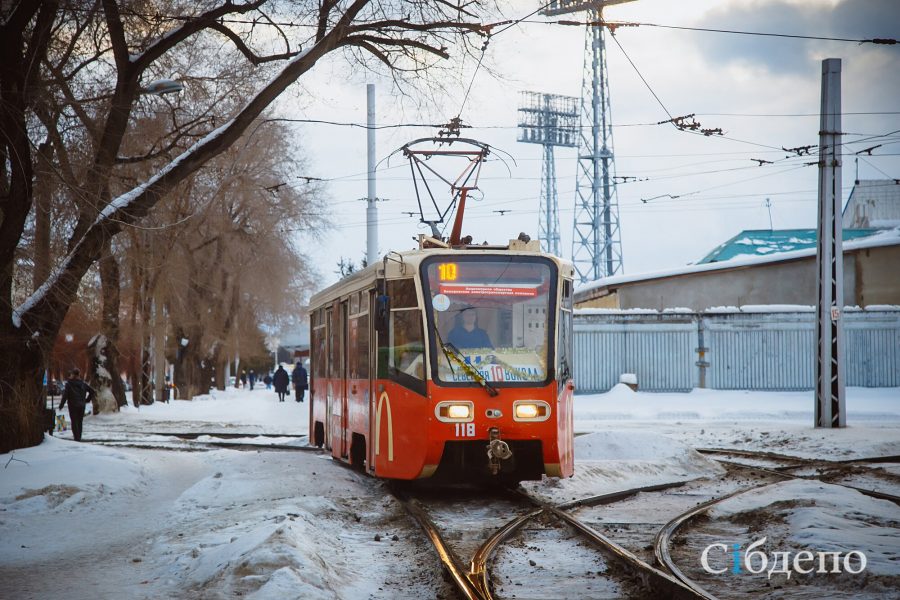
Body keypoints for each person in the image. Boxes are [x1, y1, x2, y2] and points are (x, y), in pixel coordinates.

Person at [58, 368, 96, 442]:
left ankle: (76, 438)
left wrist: (61, 405)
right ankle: (79, 437)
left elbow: (65, 396)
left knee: (74, 421)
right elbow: (92, 391)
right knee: (79, 421)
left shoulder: (69, 384)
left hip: (72, 406)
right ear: (79, 375)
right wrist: (87, 400)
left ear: (73, 375)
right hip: (81, 405)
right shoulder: (83, 384)